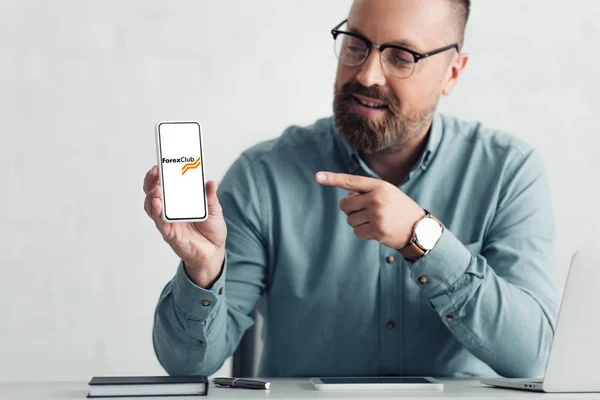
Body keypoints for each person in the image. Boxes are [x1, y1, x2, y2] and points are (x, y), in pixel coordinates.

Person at [143, 0, 557, 378]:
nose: (366, 74)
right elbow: (185, 366)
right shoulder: (263, 176)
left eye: (401, 56)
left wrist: (423, 239)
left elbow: (530, 357)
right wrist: (203, 272)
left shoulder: (507, 171)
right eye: (356, 44)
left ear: (452, 73)